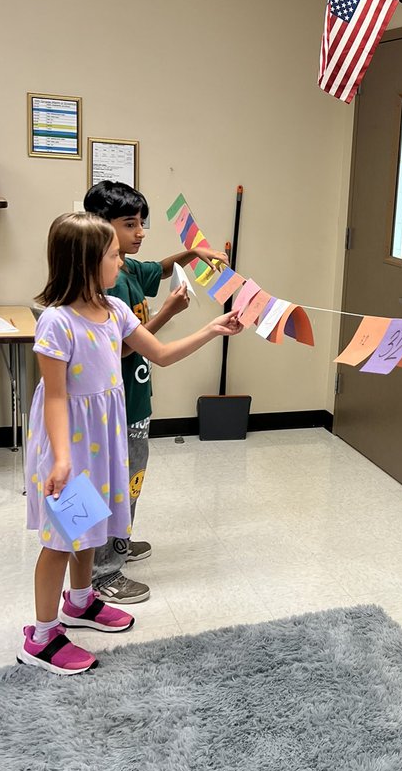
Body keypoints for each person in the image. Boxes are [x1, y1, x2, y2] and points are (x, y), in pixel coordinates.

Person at [18, 212, 242, 676]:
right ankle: (40, 636)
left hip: (103, 439)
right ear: (85, 263)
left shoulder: (115, 311)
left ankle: (79, 602)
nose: (122, 263)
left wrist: (212, 329)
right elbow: (56, 398)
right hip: (70, 445)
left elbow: (158, 353)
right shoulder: (57, 324)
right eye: (114, 255)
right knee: (63, 538)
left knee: (91, 528)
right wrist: (61, 458)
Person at [82, 181, 228, 605]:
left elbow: (158, 270)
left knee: (130, 482)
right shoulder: (104, 284)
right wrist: (167, 311)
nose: (140, 231)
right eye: (130, 224)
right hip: (116, 403)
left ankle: (117, 546)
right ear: (99, 228)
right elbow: (125, 346)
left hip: (136, 399)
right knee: (117, 485)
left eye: (142, 223)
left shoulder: (124, 268)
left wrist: (190, 254)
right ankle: (103, 572)